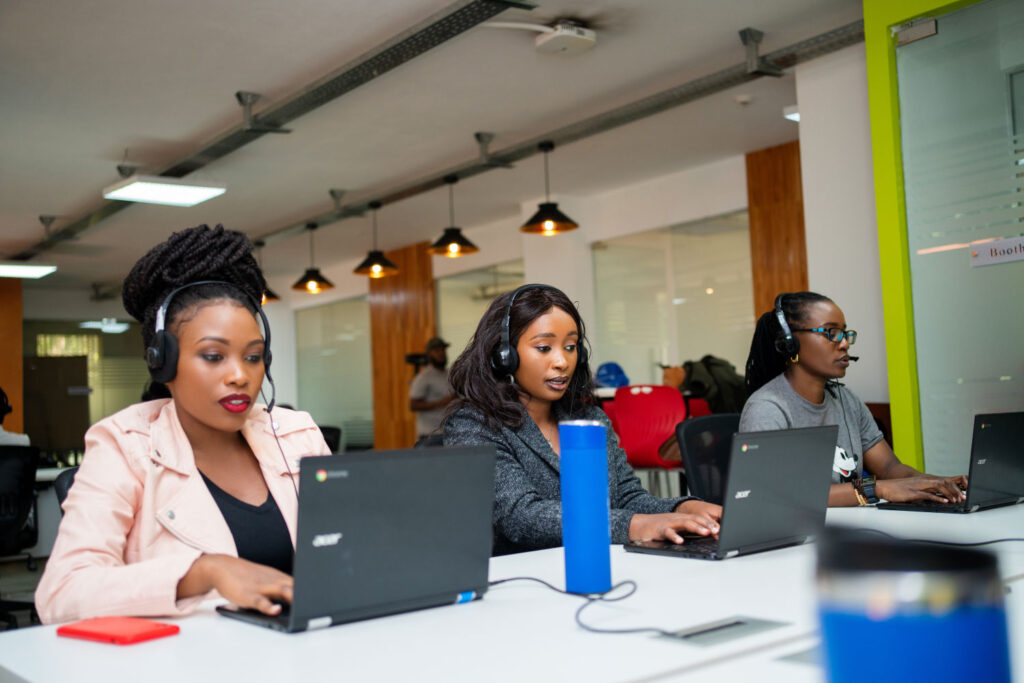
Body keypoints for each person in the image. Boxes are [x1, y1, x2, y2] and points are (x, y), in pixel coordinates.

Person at [34, 224, 330, 624]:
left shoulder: (297, 436)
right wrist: (205, 572)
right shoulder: (125, 446)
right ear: (163, 363)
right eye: (213, 356)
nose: (239, 376)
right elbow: (61, 593)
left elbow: (352, 548)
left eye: (253, 357)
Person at [443, 284, 721, 555]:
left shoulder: (590, 419)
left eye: (570, 346)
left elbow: (626, 497)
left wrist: (683, 509)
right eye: (544, 347)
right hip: (521, 576)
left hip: (597, 564)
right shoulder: (474, 425)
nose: (562, 361)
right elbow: (521, 516)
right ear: (504, 356)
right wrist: (635, 525)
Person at [740, 291, 967, 507]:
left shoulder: (847, 400)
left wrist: (936, 483)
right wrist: (877, 489)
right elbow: (779, 493)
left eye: (845, 333)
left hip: (850, 525)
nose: (845, 343)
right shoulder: (767, 408)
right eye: (831, 333)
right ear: (790, 343)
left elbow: (889, 467)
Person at [409, 337, 455, 447]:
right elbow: (413, 405)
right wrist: (440, 403)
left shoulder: (449, 374)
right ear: (429, 354)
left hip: (449, 433)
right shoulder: (424, 377)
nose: (441, 353)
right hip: (430, 435)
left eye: (443, 350)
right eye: (437, 351)